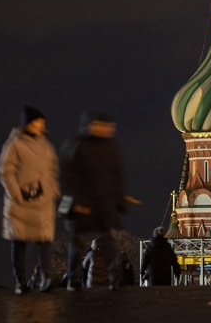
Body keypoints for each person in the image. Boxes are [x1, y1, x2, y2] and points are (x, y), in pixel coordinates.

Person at [61, 110, 127, 291]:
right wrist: (77, 202)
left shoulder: (111, 147)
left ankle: (115, 278)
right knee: (78, 243)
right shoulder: (76, 146)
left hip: (104, 204)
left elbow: (117, 175)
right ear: (93, 126)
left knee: (111, 242)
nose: (109, 130)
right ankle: (73, 279)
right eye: (105, 126)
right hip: (82, 206)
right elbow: (68, 178)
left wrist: (119, 200)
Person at [0, 105, 60, 295]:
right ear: (29, 124)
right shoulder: (15, 144)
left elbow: (52, 171)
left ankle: (46, 277)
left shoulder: (46, 145)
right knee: (20, 242)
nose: (42, 125)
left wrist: (53, 190)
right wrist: (17, 193)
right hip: (22, 202)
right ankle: (20, 281)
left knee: (44, 242)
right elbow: (5, 171)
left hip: (42, 202)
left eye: (43, 122)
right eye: (39, 122)